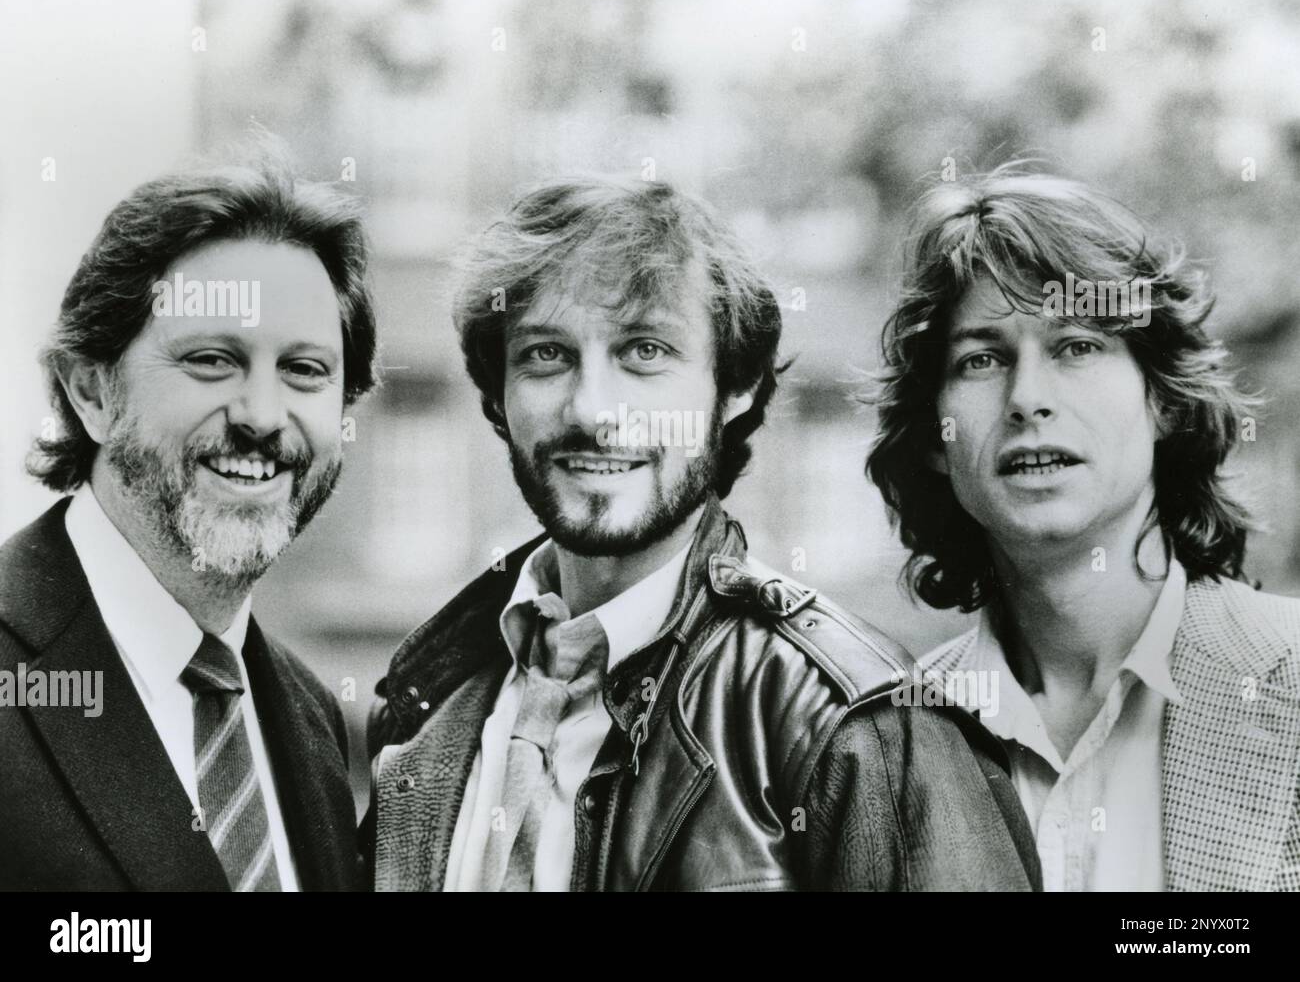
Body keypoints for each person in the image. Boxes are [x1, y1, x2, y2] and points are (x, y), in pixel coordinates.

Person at [364, 176, 1039, 891]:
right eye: (546, 354)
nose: (593, 409)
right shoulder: (430, 699)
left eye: (645, 351)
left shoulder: (857, 722)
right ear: (499, 391)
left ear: (735, 387)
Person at [867, 165, 1300, 891]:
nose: (1027, 398)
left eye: (1077, 346)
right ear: (936, 441)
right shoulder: (881, 746)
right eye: (981, 358)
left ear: (1163, 398)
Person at [0, 143, 377, 890]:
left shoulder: (312, 720)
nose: (263, 417)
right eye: (211, 359)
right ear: (92, 392)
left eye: (303, 370)